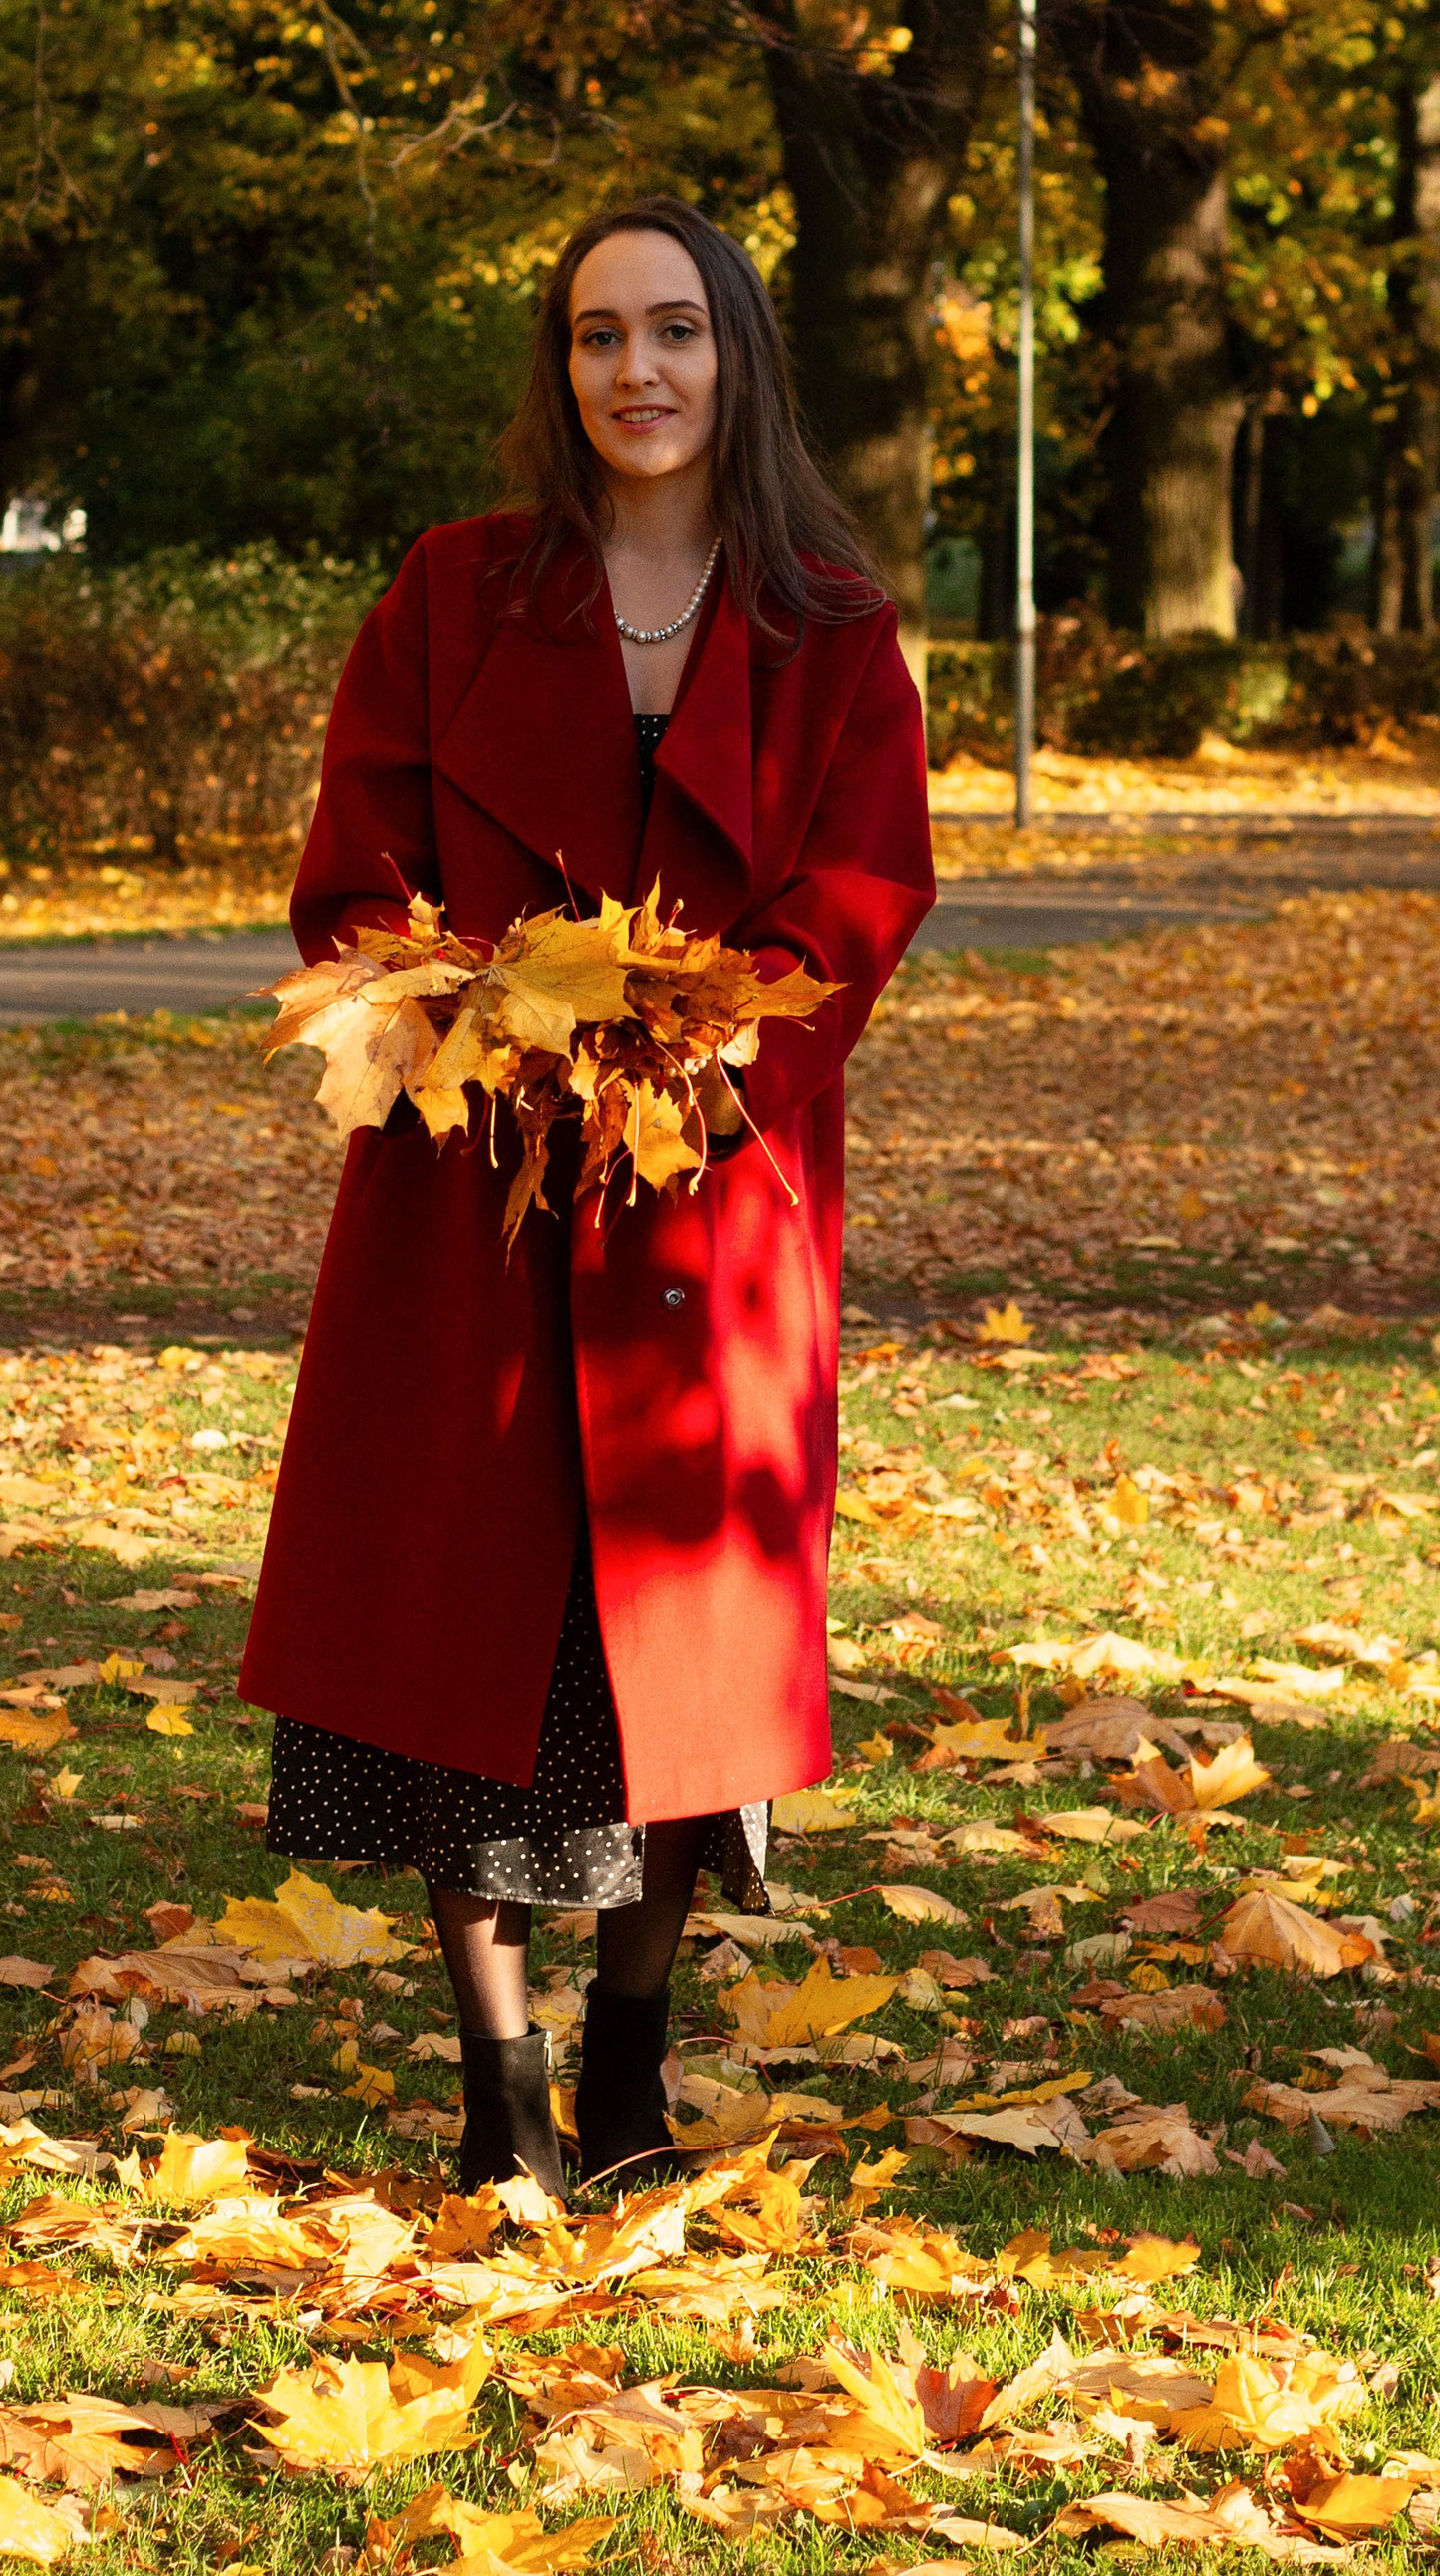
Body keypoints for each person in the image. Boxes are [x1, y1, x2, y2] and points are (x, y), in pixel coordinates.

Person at [238, 197, 935, 2191]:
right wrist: (483, 1025)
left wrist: (719, 1057)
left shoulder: (822, 617)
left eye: (673, 333)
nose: (634, 370)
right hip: (471, 1179)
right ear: (557, 370)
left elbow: (860, 894)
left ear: (737, 360)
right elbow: (354, 870)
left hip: (709, 1200)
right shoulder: (453, 593)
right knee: (460, 1630)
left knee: (672, 1647)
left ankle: (627, 2058)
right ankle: (497, 2095)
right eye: (594, 336)